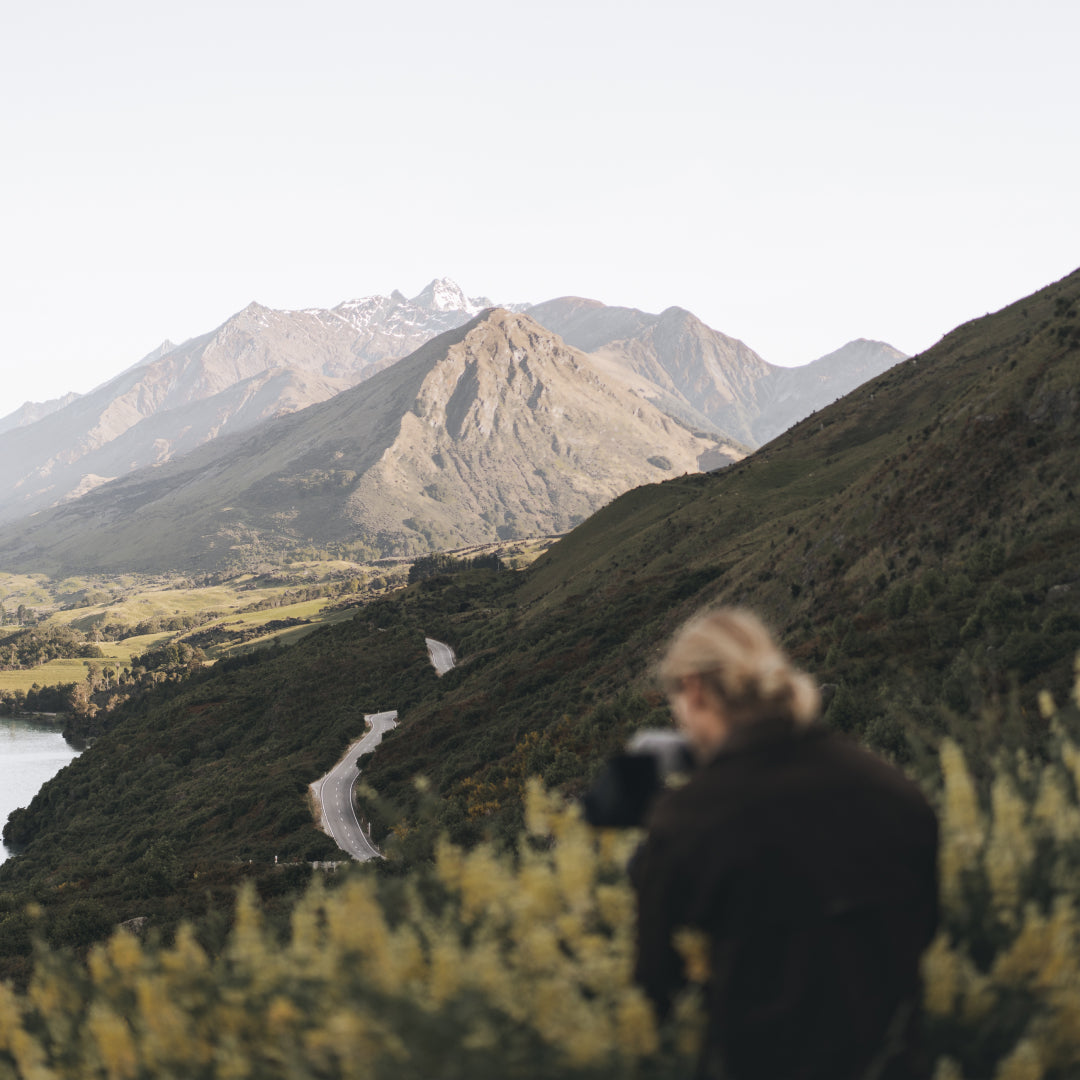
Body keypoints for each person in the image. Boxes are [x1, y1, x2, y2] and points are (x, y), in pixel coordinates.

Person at [631, 608, 939, 1080]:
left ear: (693, 689)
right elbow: (923, 928)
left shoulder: (688, 819)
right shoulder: (893, 787)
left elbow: (655, 990)